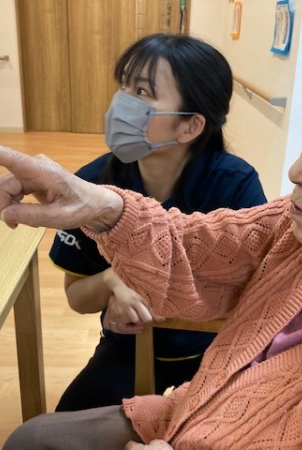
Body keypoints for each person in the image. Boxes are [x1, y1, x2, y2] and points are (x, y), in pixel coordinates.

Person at [0, 31, 302, 450]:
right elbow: (196, 248)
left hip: (214, 411)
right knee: (32, 438)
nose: (297, 170)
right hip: (205, 403)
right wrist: (99, 206)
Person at [48, 33, 267, 412]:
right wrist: (113, 281)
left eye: (143, 92)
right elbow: (76, 298)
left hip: (215, 348)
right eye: (124, 87)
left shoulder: (234, 185)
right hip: (128, 346)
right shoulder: (93, 185)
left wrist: (155, 286)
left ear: (190, 126)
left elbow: (259, 292)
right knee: (65, 424)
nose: (122, 103)